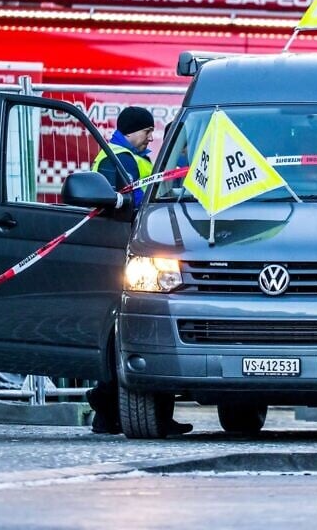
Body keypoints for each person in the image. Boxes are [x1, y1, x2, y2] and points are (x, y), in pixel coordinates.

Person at [86, 106, 193, 436]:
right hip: (121, 253)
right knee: (126, 336)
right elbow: (126, 202)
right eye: (147, 131)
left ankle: (118, 415)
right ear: (132, 130)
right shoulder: (116, 159)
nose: (151, 136)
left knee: (137, 336)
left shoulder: (137, 159)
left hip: (137, 252)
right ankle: (106, 409)